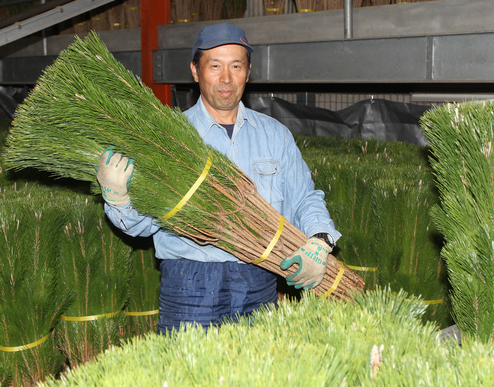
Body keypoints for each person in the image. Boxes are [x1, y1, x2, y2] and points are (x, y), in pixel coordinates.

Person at [97, 23, 340, 333]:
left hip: (259, 279)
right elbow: (140, 226)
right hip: (189, 285)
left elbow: (304, 197)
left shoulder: (274, 135)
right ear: (195, 71)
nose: (226, 78)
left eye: (236, 66)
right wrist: (118, 197)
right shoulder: (167, 139)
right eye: (215, 65)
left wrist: (320, 240)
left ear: (248, 72)